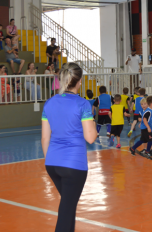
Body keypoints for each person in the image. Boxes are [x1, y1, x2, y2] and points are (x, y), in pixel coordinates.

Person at [41, 62, 97, 232]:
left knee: (68, 205)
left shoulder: (49, 103)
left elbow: (45, 138)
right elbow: (90, 137)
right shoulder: (82, 104)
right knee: (66, 210)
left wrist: (50, 159)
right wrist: (93, 123)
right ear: (79, 81)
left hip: (52, 164)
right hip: (73, 165)